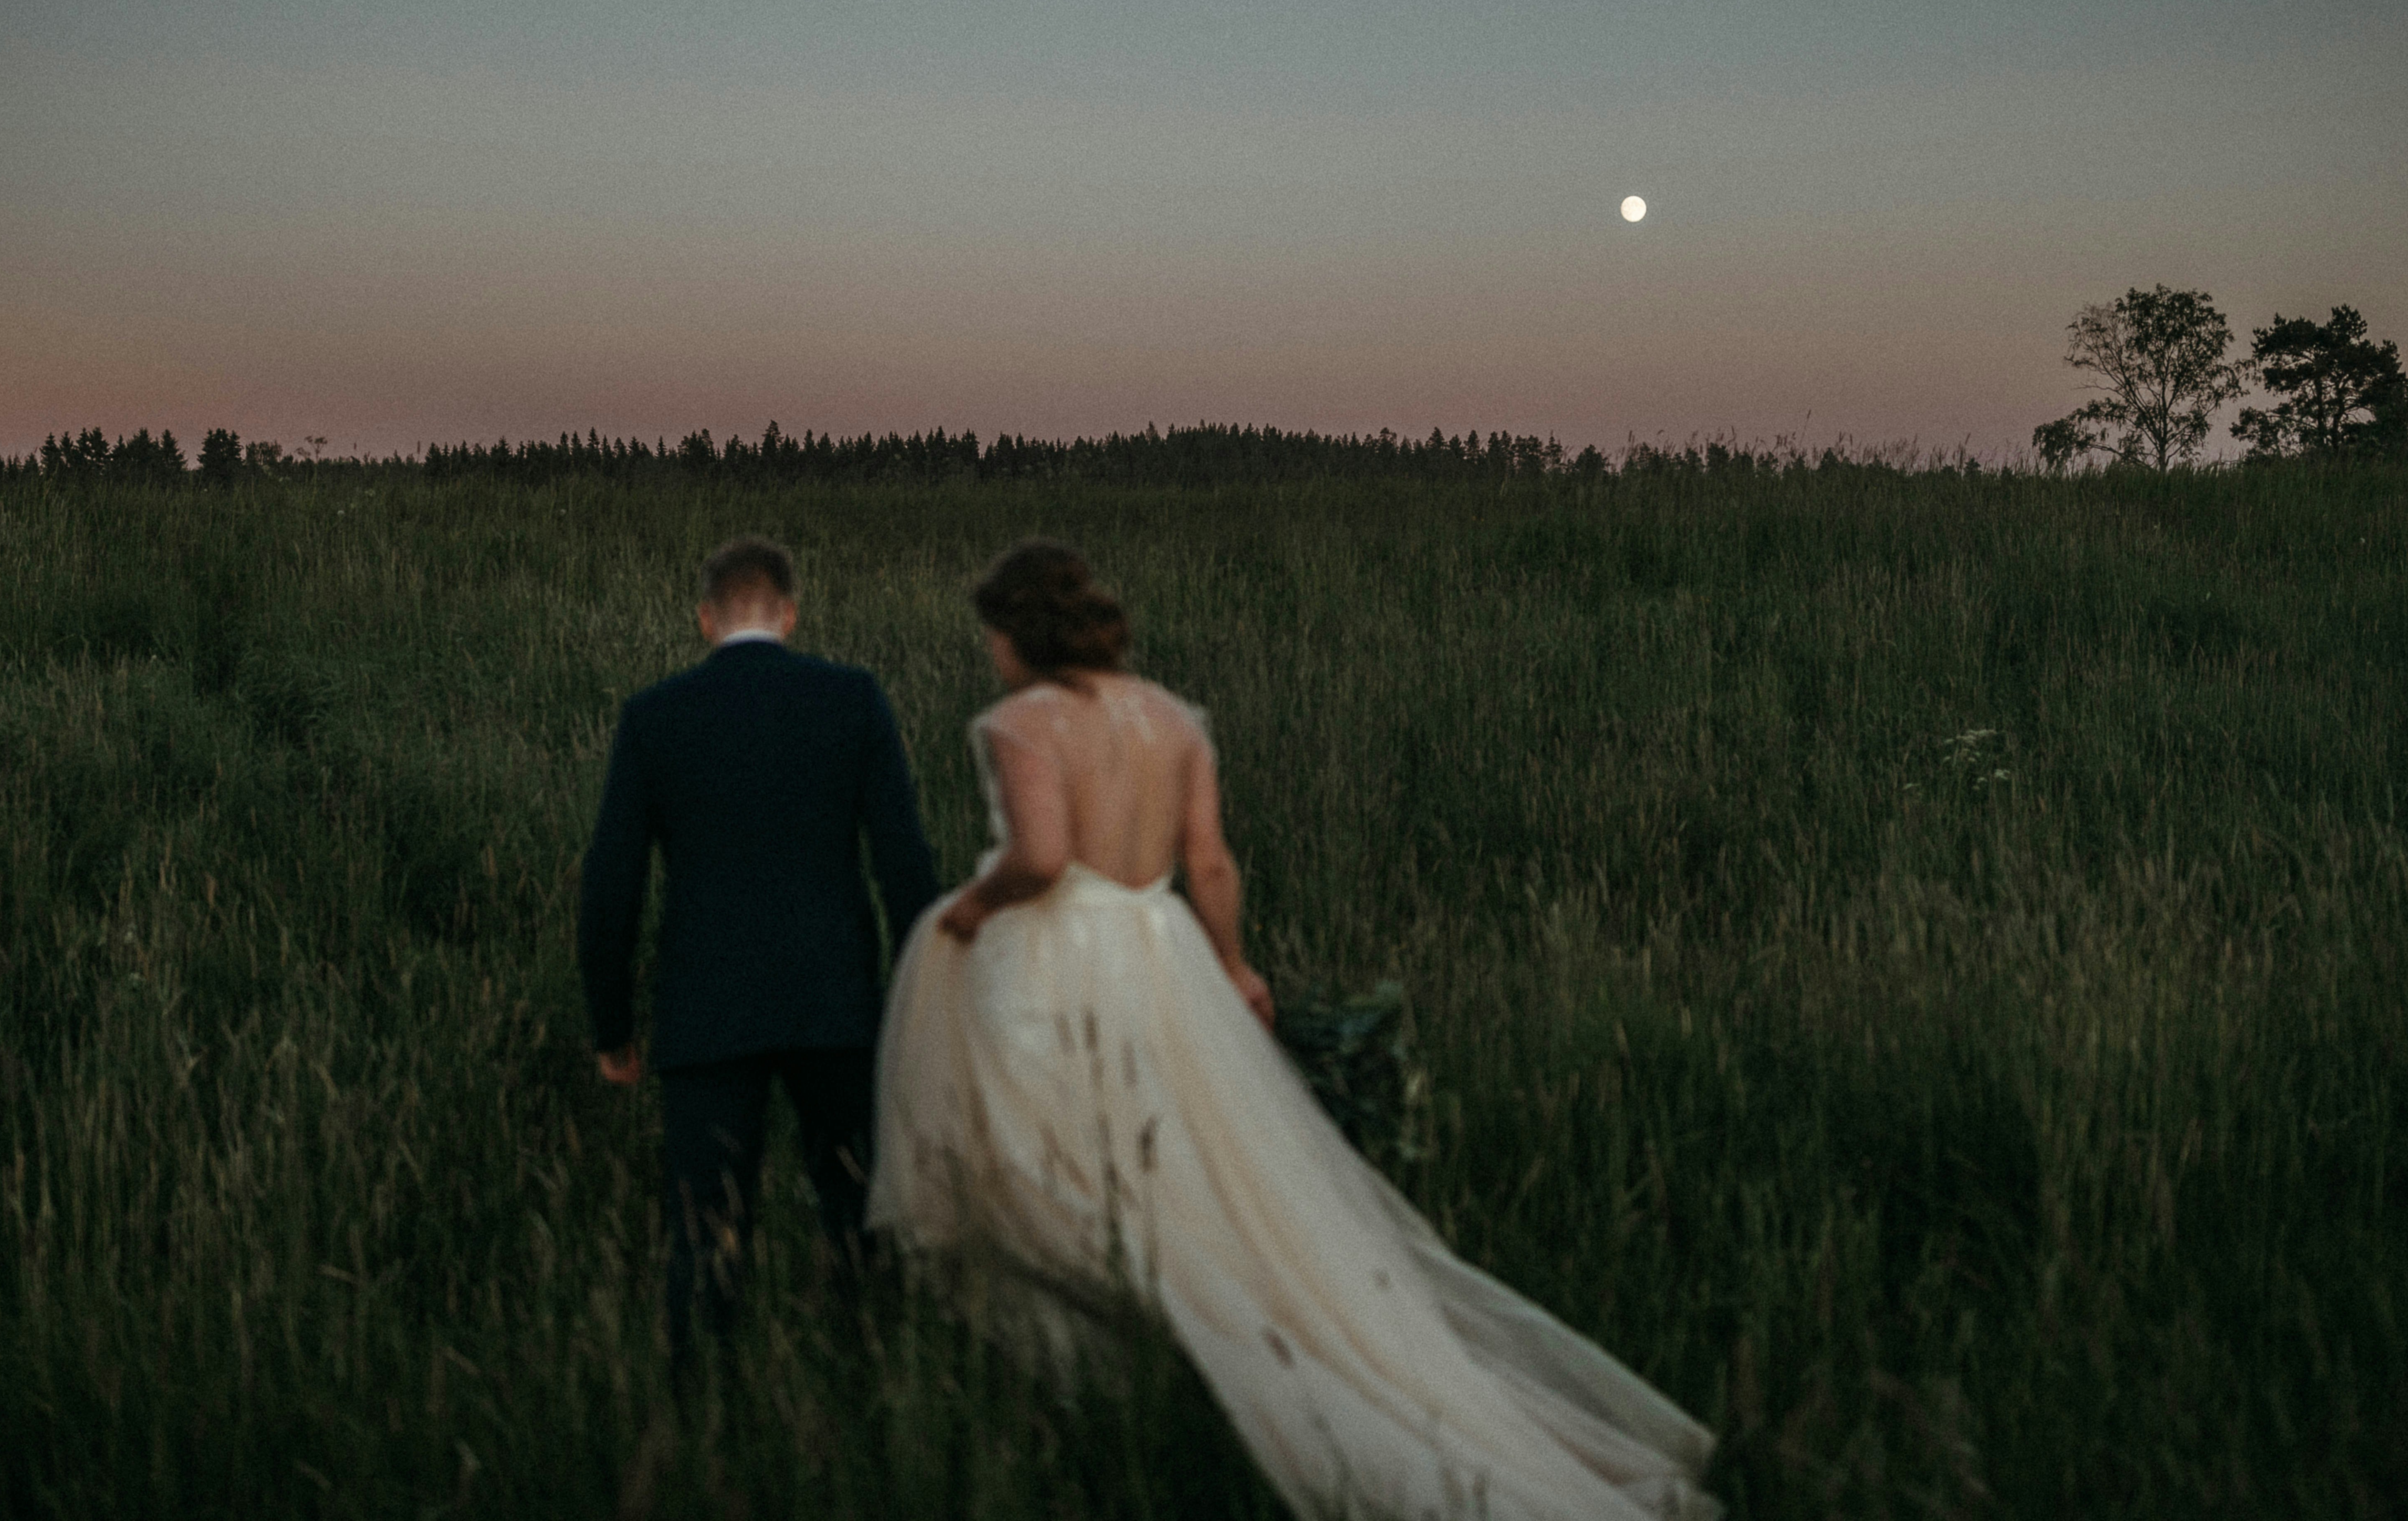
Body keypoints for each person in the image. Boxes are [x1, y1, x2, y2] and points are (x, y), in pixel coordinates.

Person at [870, 540, 1718, 1521]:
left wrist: (972, 908)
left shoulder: (1022, 721)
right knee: (1197, 1167)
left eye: (994, 637)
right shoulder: (1176, 722)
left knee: (1038, 1165)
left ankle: (1149, 1342)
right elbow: (1214, 864)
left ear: (1017, 632)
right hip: (1164, 947)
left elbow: (1043, 857)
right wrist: (1232, 965)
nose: (993, 656)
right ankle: (1195, 1333)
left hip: (1066, 958)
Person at [578, 536, 940, 1380]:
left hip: (707, 1012)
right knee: (857, 1213)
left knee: (705, 1230)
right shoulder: (852, 700)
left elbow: (610, 885)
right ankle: (866, 1396)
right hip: (838, 1004)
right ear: (790, 613)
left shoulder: (655, 716)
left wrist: (613, 1026)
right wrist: (919, 1000)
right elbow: (905, 861)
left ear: (706, 618)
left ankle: (704, 1418)